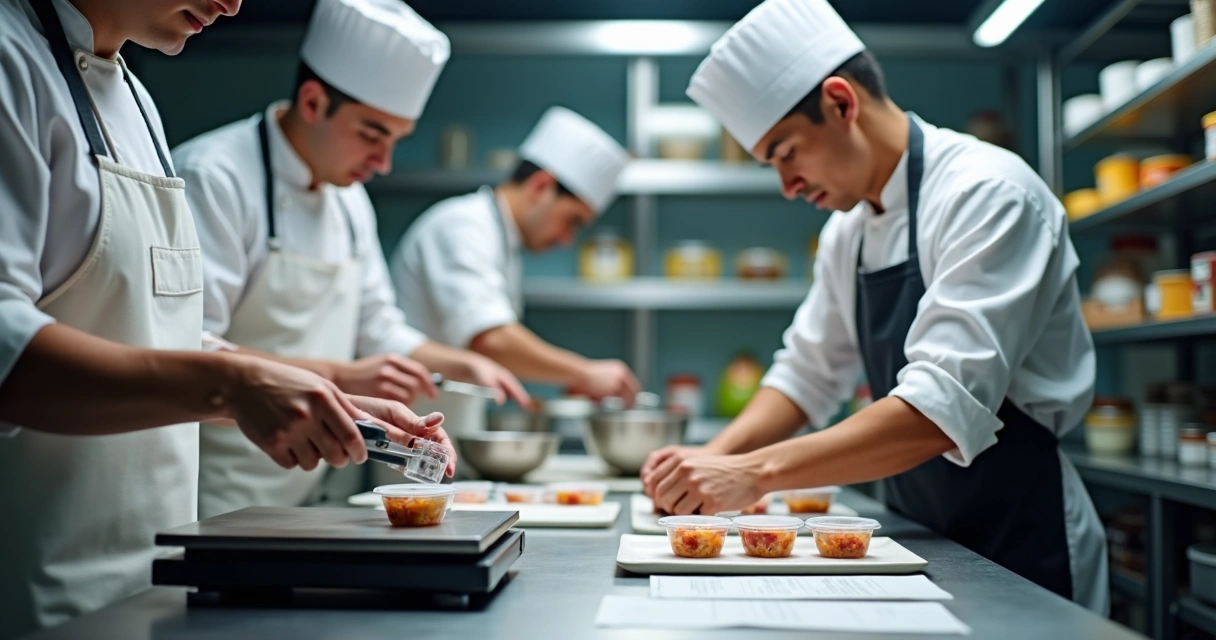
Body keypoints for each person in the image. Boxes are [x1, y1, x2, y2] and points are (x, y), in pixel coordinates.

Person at [641, 0, 1108, 614]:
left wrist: (752, 473)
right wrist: (714, 457)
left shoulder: (987, 193)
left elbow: (937, 412)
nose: (787, 187)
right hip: (916, 530)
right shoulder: (850, 230)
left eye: (786, 153)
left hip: (1023, 535)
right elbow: (807, 374)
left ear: (840, 102)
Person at [0, 0, 444, 636]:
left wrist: (342, 403)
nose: (235, 3)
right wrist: (236, 387)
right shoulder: (9, 62)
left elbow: (164, 332)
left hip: (154, 574)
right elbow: (5, 353)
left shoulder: (136, 100)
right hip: (42, 586)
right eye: (374, 134)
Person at [173, 0, 519, 519]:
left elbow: (379, 328)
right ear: (312, 103)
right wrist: (343, 375)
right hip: (225, 492)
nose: (383, 163)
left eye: (396, 141)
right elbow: (193, 347)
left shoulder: (348, 198)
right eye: (371, 135)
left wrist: (459, 362)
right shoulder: (213, 178)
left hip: (320, 491)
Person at [391, 107, 640, 404]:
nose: (567, 239)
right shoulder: (462, 225)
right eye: (572, 220)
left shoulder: (502, 240)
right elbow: (492, 339)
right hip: (404, 419)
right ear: (540, 186)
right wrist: (584, 372)